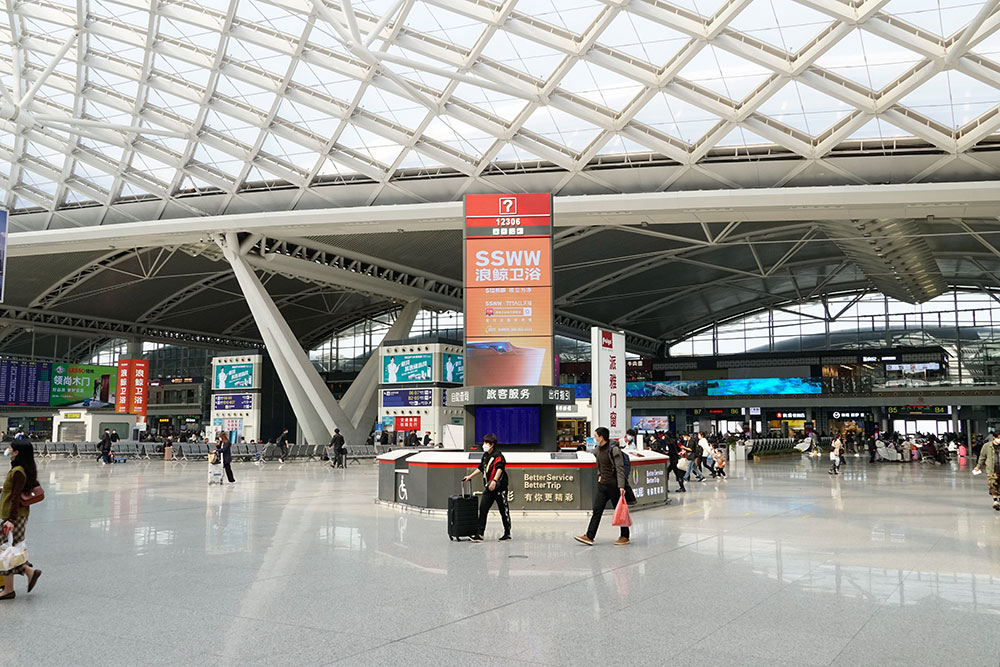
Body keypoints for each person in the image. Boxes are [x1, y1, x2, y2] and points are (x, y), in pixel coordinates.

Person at [575, 427, 634, 546]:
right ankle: (589, 536)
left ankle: (625, 536)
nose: (594, 438)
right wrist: (600, 475)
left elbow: (620, 469)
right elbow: (600, 465)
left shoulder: (614, 450)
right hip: (603, 485)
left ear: (601, 437)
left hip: (614, 485)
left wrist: (621, 486)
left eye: (596, 436)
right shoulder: (598, 450)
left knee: (620, 511)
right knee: (597, 510)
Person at [1, 441, 43, 599]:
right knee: (10, 549)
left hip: (14, 516)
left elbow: (16, 496)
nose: (8, 450)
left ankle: (9, 589)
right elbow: (14, 490)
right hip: (16, 515)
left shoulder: (19, 471)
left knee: (6, 550)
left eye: (10, 448)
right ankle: (28, 571)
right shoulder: (20, 469)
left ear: (16, 452)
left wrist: (11, 519)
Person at [462, 434, 511, 542]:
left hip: (499, 488)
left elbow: (500, 468)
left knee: (503, 510)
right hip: (489, 488)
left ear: (492, 444)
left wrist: (494, 481)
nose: (484, 445)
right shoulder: (485, 455)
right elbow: (481, 468)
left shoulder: (498, 456)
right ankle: (480, 534)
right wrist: (470, 476)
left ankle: (507, 533)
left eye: (486, 443)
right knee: (483, 508)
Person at [973, 433, 1000, 511]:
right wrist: (978, 466)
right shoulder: (987, 446)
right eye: (998, 438)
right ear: (994, 437)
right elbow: (982, 457)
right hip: (991, 470)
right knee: (992, 486)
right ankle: (995, 501)